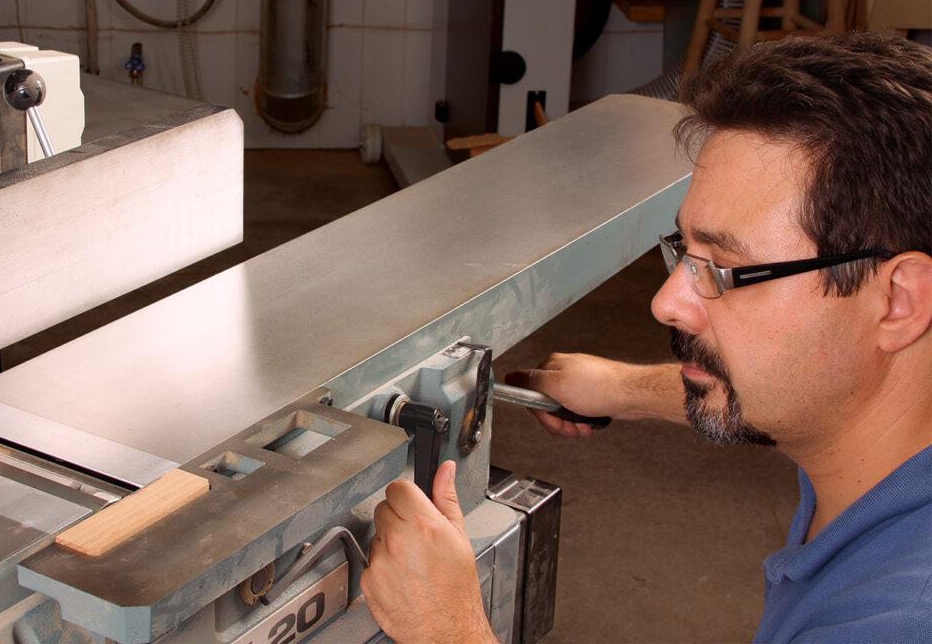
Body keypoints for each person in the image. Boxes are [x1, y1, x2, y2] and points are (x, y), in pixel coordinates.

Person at [360, 32, 932, 644]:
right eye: (684, 250)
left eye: (723, 269)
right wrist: (626, 389)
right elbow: (806, 386)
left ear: (899, 300)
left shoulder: (893, 619)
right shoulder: (881, 425)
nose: (667, 303)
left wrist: (448, 630)